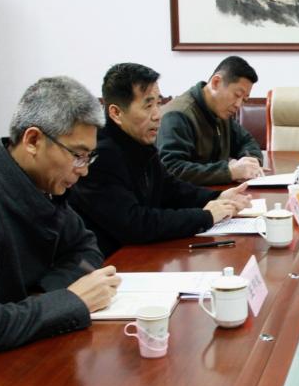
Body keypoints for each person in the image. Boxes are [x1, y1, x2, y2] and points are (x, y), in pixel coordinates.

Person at [0, 77, 120, 386]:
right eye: (77, 155)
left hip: (26, 347)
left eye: (89, 156)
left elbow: (87, 248)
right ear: (33, 140)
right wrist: (68, 300)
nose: (84, 169)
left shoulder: (42, 184)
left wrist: (43, 295)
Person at [69, 63, 254, 257]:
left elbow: (170, 189)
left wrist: (217, 197)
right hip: (110, 261)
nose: (158, 115)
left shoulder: (138, 141)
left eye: (158, 103)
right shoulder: (99, 155)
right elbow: (134, 224)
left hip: (141, 253)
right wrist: (205, 216)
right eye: (148, 106)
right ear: (116, 113)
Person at [157, 55, 264, 185]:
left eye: (244, 99)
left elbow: (246, 141)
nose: (238, 104)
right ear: (216, 82)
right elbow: (172, 169)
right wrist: (230, 172)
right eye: (237, 95)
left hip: (214, 192)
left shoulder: (221, 112)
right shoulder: (177, 115)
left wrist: (250, 162)